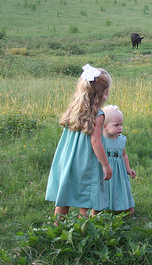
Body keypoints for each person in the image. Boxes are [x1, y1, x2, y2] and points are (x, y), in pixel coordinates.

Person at [45, 64, 113, 220]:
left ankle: (58, 227)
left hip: (67, 159)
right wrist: (106, 165)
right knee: (86, 194)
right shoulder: (98, 114)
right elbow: (96, 142)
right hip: (85, 160)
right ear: (105, 92)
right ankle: (83, 228)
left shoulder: (73, 109)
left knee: (65, 193)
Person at [91, 105, 136, 217]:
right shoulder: (100, 141)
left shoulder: (121, 140)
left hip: (119, 173)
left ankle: (129, 213)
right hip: (104, 172)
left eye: (121, 125)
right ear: (104, 126)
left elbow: (124, 156)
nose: (120, 128)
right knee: (101, 191)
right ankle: (95, 214)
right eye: (116, 125)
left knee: (123, 190)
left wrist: (128, 169)